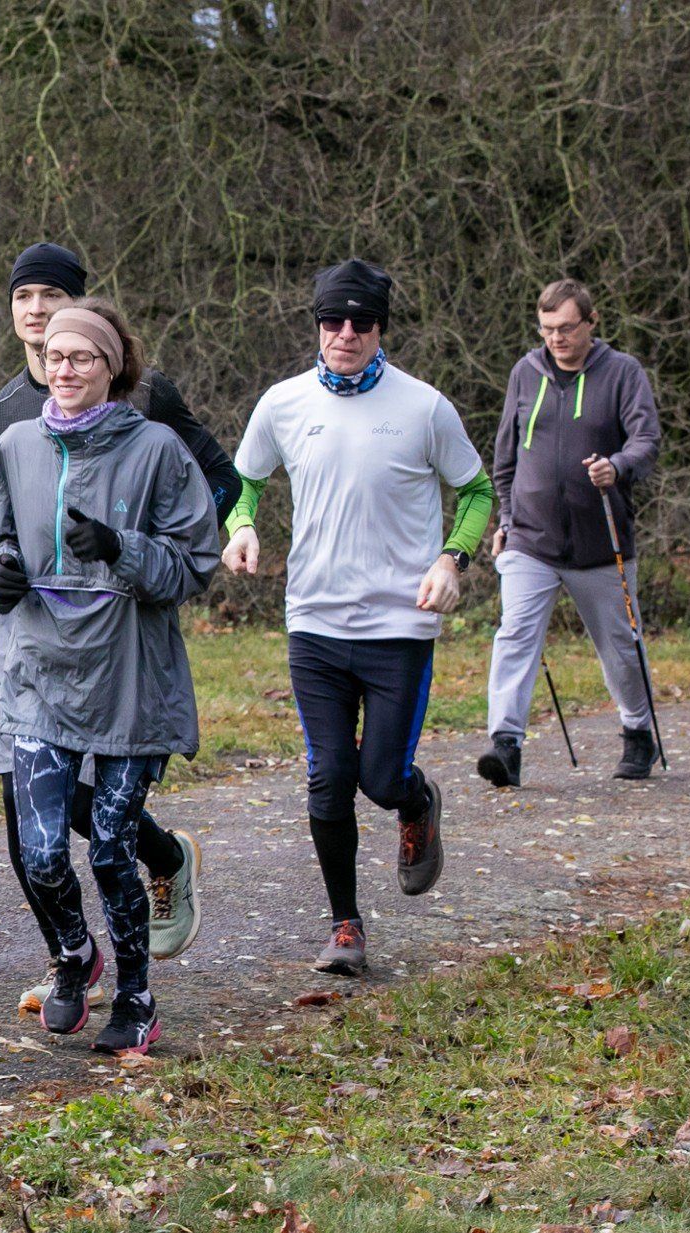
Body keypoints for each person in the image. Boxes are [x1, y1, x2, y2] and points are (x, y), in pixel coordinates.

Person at [0, 243, 235, 1016]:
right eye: (53, 354)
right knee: (38, 849)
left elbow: (194, 560)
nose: (63, 366)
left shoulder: (157, 441)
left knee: (108, 847)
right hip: (38, 667)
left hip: (131, 676)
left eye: (80, 355)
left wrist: (124, 550)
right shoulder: (7, 436)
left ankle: (135, 996)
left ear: (112, 366)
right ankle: (75, 957)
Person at [222, 259, 493, 977]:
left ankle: (416, 800)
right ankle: (345, 924)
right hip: (313, 621)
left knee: (379, 778)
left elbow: (475, 491)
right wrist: (242, 525)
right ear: (315, 324)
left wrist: (452, 561)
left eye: (360, 322)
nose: (344, 333)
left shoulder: (425, 407)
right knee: (328, 776)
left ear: (380, 329)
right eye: (331, 320)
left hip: (400, 625)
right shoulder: (282, 403)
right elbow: (245, 480)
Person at [481, 278, 662, 786]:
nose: (555, 339)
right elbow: (506, 458)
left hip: (602, 543)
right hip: (531, 541)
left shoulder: (623, 372)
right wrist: (507, 521)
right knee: (515, 635)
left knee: (621, 646)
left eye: (565, 328)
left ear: (590, 322)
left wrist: (618, 466)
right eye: (546, 329)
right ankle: (506, 745)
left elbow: (647, 440)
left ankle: (637, 731)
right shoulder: (526, 371)